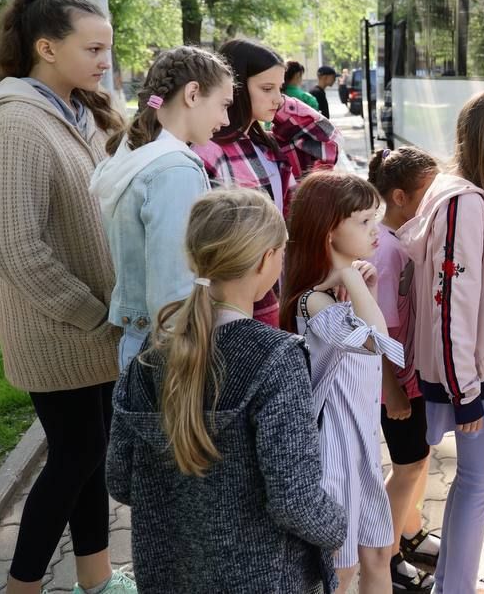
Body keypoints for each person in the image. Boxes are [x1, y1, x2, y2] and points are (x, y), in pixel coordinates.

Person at [0, 0, 136, 594]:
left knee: (89, 460)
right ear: (47, 48)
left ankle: (94, 578)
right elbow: (11, 245)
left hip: (92, 328)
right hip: (58, 331)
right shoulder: (18, 125)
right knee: (75, 459)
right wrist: (93, 315)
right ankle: (22, 586)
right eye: (93, 48)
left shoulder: (75, 114)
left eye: (106, 48)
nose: (104, 60)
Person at [106, 188, 347, 593]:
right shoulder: (276, 358)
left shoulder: (151, 355)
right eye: (282, 251)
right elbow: (295, 499)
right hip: (263, 577)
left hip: (169, 575)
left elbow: (119, 479)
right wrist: (338, 526)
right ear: (265, 259)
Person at [397, 90, 484, 594]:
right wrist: (464, 389)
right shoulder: (466, 202)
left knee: (469, 486)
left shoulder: (449, 190)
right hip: (473, 375)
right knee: (476, 487)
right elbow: (450, 303)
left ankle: (452, 584)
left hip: (468, 370)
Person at [282, 170, 405, 594]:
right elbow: (380, 346)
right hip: (334, 459)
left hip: (361, 449)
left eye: (376, 219)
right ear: (328, 230)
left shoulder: (332, 296)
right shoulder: (316, 301)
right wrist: (352, 277)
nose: (376, 231)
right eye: (364, 221)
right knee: (342, 571)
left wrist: (355, 284)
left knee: (377, 555)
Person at [90, 46, 233, 370]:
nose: (225, 120)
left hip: (140, 342)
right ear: (193, 94)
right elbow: (174, 289)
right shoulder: (173, 170)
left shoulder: (136, 153)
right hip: (166, 353)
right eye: (223, 106)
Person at [192, 37, 341, 324]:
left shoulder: (267, 145)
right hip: (239, 297)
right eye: (266, 88)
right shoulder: (210, 151)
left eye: (280, 88)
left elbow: (325, 143)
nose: (276, 98)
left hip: (281, 281)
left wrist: (280, 104)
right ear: (234, 88)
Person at [368, 147, 441, 591]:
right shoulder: (386, 252)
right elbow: (375, 332)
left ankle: (409, 532)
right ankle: (389, 554)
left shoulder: (396, 241)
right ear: (398, 196)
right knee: (409, 466)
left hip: (406, 377)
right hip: (394, 383)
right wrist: (393, 389)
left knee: (417, 457)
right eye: (426, 194)